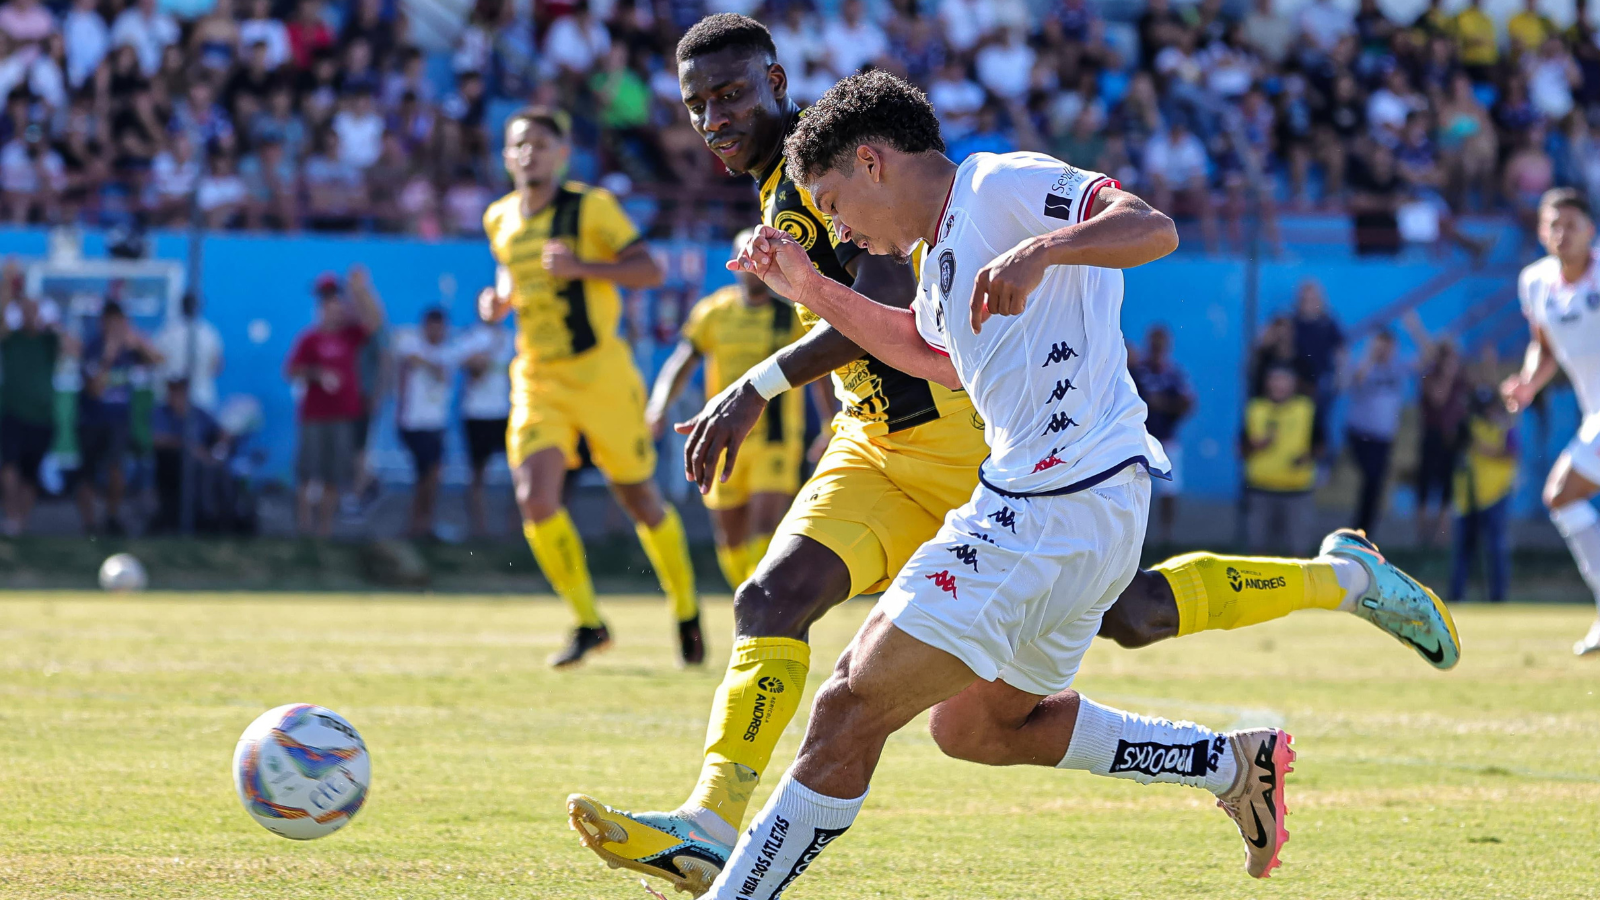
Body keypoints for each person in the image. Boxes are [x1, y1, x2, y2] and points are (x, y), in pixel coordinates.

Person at [566, 19, 1458, 896]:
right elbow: (925, 349)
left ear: (866, 161)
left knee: (857, 707)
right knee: (975, 727)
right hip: (1008, 486)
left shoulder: (1001, 184)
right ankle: (1229, 763)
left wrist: (1042, 251)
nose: (847, 235)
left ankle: (1340, 580)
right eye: (698, 104)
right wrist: (806, 289)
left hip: (1037, 498)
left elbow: (1151, 227)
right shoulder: (940, 250)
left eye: (837, 211)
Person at [477, 106, 703, 668]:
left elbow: (648, 271)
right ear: (506, 157)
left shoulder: (592, 208)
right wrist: (499, 298)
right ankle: (588, 621)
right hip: (537, 376)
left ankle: (686, 608)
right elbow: (512, 268)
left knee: (639, 499)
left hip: (601, 373)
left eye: (539, 144)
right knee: (536, 497)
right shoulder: (498, 218)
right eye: (518, 144)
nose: (528, 153)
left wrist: (584, 269)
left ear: (561, 155)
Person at [646, 232, 806, 590]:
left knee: (766, 524)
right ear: (734, 263)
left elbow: (819, 372)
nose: (752, 266)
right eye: (744, 258)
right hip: (725, 435)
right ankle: (748, 597)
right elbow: (682, 361)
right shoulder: (714, 313)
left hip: (776, 438)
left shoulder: (790, 316)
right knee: (730, 535)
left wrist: (828, 423)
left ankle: (764, 604)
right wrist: (658, 407)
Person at [1503, 188, 1600, 653]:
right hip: (1594, 414)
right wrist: (1526, 383)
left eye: (1572, 225)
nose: (1562, 234)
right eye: (1553, 225)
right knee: (1563, 499)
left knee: (1562, 493)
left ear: (1591, 231)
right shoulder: (1535, 281)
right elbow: (1544, 346)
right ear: (1542, 232)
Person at [284, 267, 384, 538]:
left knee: (333, 476)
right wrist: (317, 374)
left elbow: (376, 322)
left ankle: (324, 530)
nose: (333, 310)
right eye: (328, 305)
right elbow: (291, 371)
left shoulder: (350, 336)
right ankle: (304, 528)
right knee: (308, 473)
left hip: (343, 415)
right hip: (314, 416)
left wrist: (362, 290)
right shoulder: (310, 338)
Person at [77, 300, 161, 536]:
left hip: (119, 420)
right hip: (91, 420)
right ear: (102, 323)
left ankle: (112, 517)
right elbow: (94, 388)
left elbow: (158, 361)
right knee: (87, 473)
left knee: (117, 468)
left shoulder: (129, 349)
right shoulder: (93, 348)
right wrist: (109, 354)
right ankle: (89, 524)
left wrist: (140, 342)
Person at [0, 274, 70, 536]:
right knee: (9, 465)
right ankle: (11, 517)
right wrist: (7, 286)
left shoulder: (47, 340)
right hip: (13, 414)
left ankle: (22, 522)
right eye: (26, 309)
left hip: (42, 417)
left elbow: (71, 345)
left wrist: (52, 325)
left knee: (30, 473)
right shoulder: (11, 339)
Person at [1243, 366, 1321, 555]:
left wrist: (1306, 457)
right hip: (1261, 488)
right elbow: (1241, 448)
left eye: (1284, 380)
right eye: (1275, 380)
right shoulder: (1255, 409)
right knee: (1258, 550)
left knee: (1298, 550)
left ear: (1294, 384)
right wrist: (1256, 446)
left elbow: (1321, 444)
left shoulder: (1306, 409)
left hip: (1296, 490)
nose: (1279, 386)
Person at [1449, 385, 1516, 604]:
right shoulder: (1468, 426)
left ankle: (1498, 597)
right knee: (1463, 551)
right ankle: (1457, 595)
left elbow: (1511, 453)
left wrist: (1481, 447)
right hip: (1468, 497)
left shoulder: (1504, 428)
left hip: (1496, 494)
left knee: (1495, 548)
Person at [1342, 328, 1412, 535]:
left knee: (1375, 483)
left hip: (1383, 438)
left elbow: (1427, 360)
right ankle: (1358, 528)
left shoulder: (1398, 367)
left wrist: (1414, 327)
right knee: (1371, 478)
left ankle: (1364, 530)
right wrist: (1371, 354)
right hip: (1360, 434)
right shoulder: (1364, 365)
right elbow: (1357, 379)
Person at [450, 317, 515, 538]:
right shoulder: (471, 337)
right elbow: (475, 371)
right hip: (476, 413)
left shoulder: (511, 337)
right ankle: (479, 529)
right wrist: (488, 351)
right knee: (478, 472)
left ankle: (515, 528)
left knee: (520, 471)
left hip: (506, 412)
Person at [1129, 323, 1192, 545]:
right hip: (1137, 439)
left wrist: (1162, 405)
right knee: (1132, 486)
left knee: (1169, 489)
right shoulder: (1137, 371)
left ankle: (1166, 536)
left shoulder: (1174, 374)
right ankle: (1133, 537)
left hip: (1166, 439)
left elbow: (1188, 404)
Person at [394, 308, 452, 540]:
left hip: (437, 424)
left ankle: (423, 523)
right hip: (413, 423)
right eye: (432, 325)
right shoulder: (411, 344)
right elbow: (408, 354)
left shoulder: (449, 350)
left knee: (431, 476)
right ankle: (417, 524)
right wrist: (434, 365)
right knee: (428, 474)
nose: (436, 331)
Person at [148, 377, 229, 533]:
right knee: (201, 469)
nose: (176, 396)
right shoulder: (160, 413)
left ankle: (221, 519)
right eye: (173, 392)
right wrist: (187, 446)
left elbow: (221, 432)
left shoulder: (198, 413)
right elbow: (156, 439)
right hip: (173, 464)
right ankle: (203, 516)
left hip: (206, 460)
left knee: (222, 472)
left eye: (180, 392)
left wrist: (221, 443)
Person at [152, 291, 224, 412]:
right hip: (201, 397)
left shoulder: (167, 332)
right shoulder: (209, 333)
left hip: (172, 399)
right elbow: (217, 366)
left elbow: (155, 358)